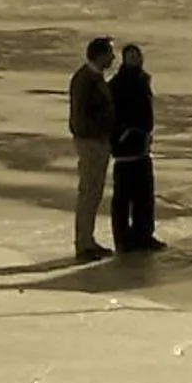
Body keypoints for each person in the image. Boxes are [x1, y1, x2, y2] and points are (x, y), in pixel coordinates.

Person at [108, 42, 163, 252]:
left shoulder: (142, 80)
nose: (135, 59)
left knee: (144, 195)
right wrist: (123, 134)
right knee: (124, 196)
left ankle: (144, 235)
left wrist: (146, 134)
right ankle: (123, 238)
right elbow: (113, 115)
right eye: (131, 56)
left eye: (137, 55)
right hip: (125, 147)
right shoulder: (117, 84)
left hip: (142, 145)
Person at [67, 37, 116, 260]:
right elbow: (80, 115)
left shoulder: (92, 77)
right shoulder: (86, 79)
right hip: (91, 142)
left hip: (95, 140)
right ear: (100, 55)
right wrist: (96, 135)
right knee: (89, 192)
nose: (113, 58)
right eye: (110, 54)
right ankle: (84, 243)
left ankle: (87, 239)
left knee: (93, 192)